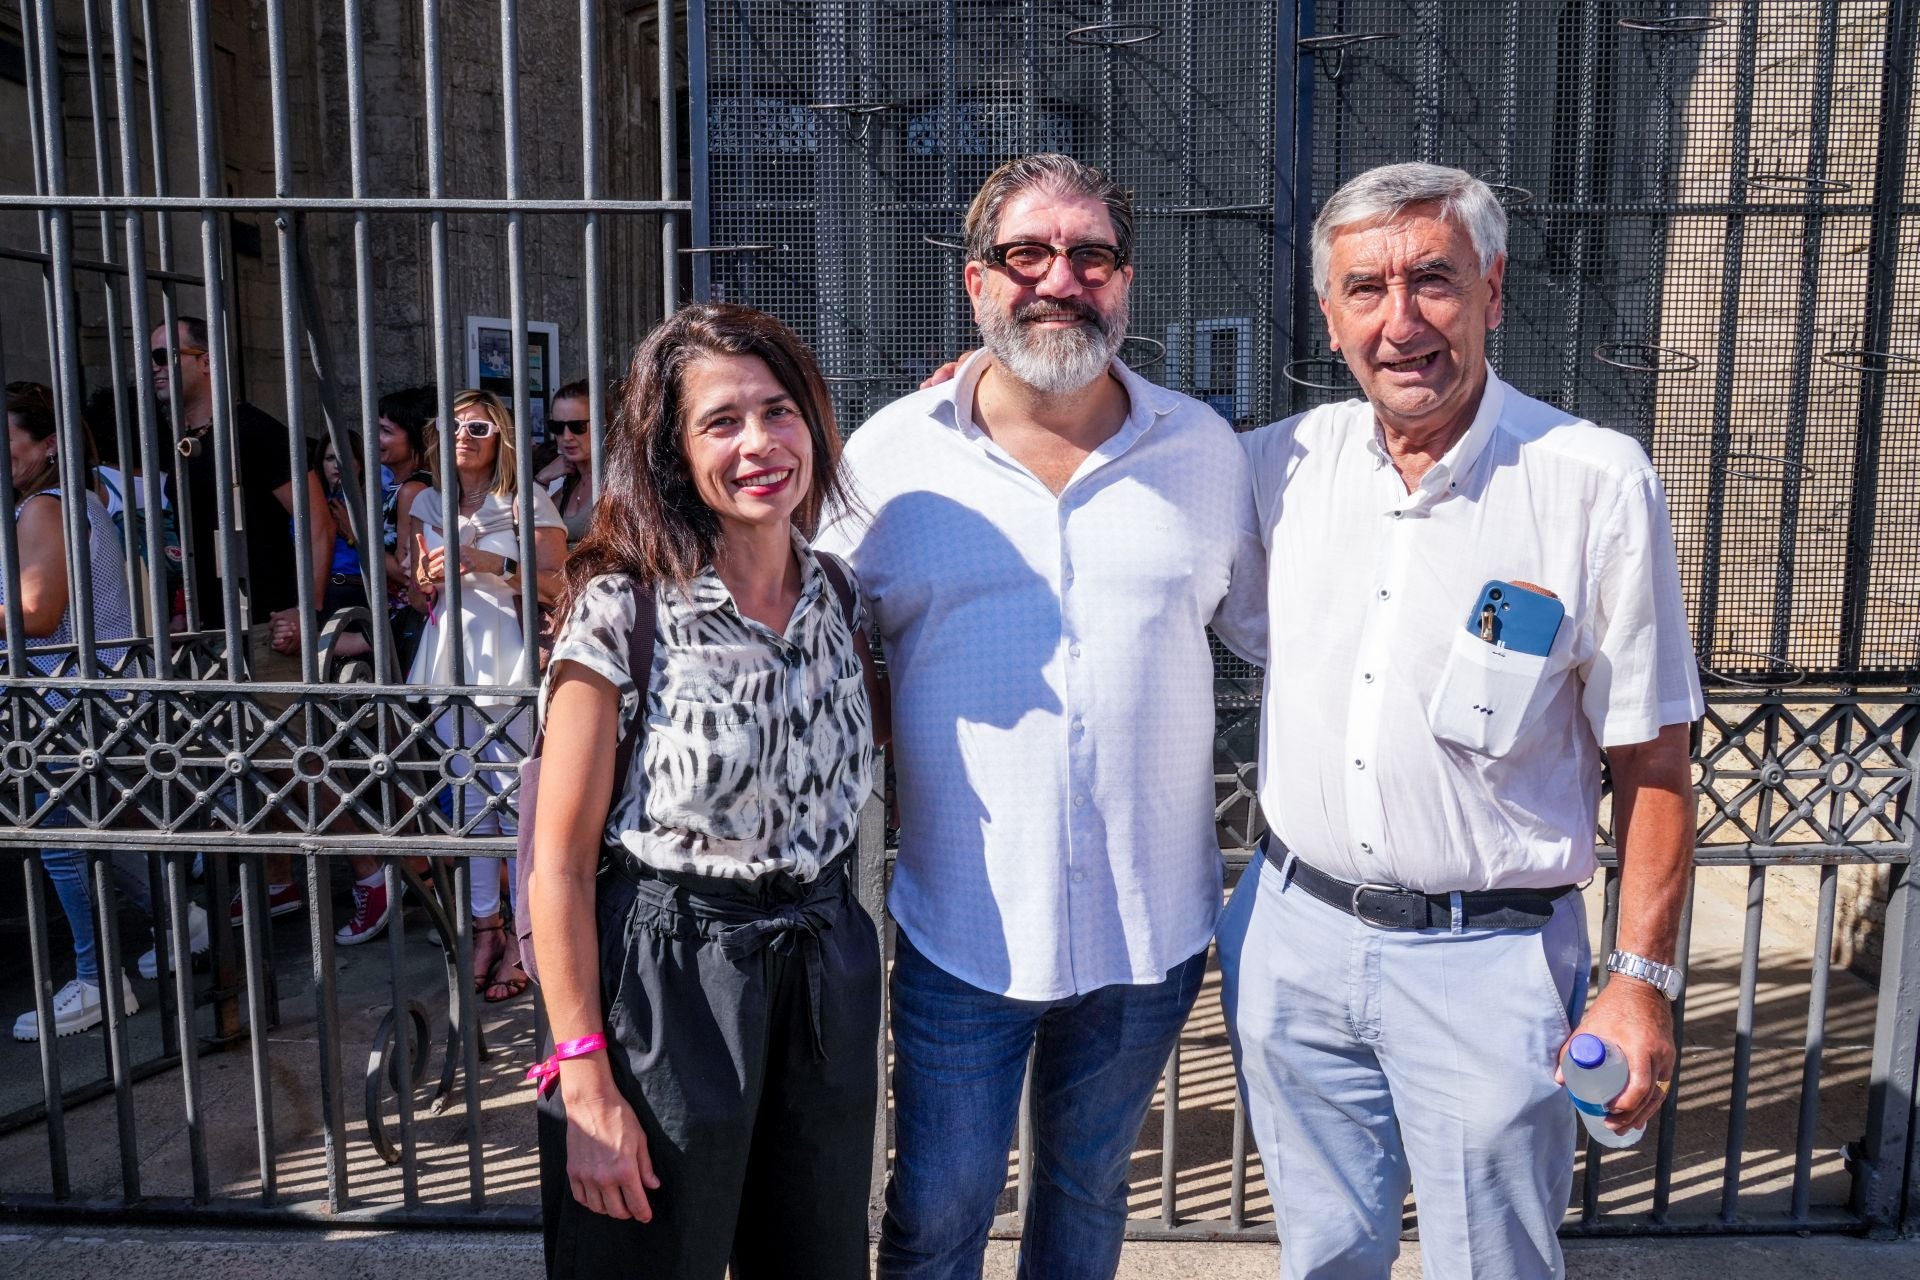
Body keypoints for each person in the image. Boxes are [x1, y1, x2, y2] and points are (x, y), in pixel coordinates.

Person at [1217, 162, 1702, 1279]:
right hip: (1291, 938)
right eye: (1366, 289)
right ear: (1329, 315)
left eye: (1432, 280)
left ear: (1492, 288)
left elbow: (1656, 758)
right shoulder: (1277, 465)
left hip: (1488, 959)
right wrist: (1007, 394)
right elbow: (1123, 459)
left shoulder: (1591, 481)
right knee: (1325, 1253)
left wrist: (1639, 980)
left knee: (1494, 1263)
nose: (1402, 322)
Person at [816, 154, 1266, 1279]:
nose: (1061, 279)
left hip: (1147, 927)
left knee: (1086, 1195)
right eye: (1029, 253)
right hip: (961, 923)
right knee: (935, 1211)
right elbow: (805, 641)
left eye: (1093, 256)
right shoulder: (889, 455)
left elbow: (1284, 641)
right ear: (977, 284)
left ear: (1125, 283)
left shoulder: (1204, 450)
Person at [530, 302, 885, 1280]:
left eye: (779, 409)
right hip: (668, 970)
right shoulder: (623, 611)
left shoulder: (844, 600)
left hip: (819, 968)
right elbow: (556, 865)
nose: (759, 443)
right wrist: (586, 1077)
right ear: (673, 451)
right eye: (722, 421)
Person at [3, 387, 206, 1040]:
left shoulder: (42, 507)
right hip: (97, 693)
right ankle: (183, 921)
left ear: (48, 443)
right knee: (97, 829)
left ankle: (96, 983)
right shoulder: (76, 500)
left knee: (62, 840)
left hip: (65, 699)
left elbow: (39, 613)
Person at [155, 316, 335, 922]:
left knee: (294, 759)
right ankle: (281, 879)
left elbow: (316, 520)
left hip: (267, 619)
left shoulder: (252, 431)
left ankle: (382, 873)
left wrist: (306, 614)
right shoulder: (179, 438)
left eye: (163, 356)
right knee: (248, 764)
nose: (152, 370)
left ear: (204, 359)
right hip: (212, 627)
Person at [405, 389, 566, 1001]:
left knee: (515, 800)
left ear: (499, 436)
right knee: (467, 797)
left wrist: (486, 564)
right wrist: (424, 578)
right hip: (450, 653)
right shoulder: (430, 501)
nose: (463, 437)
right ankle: (484, 928)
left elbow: (558, 582)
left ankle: (529, 937)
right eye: (451, 426)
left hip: (510, 655)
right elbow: (415, 573)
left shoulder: (526, 501)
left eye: (477, 426)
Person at [334, 385, 438, 946]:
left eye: (385, 432)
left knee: (407, 754)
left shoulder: (414, 490)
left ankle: (431, 876)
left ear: (415, 441)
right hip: (395, 628)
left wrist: (358, 538)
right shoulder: (401, 486)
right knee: (400, 755)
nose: (376, 441)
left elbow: (412, 576)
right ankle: (425, 873)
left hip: (407, 629)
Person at [534, 378, 597, 549]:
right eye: (557, 427)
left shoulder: (621, 478)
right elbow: (528, 525)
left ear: (602, 424)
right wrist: (542, 479)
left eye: (577, 426)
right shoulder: (567, 481)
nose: (567, 436)